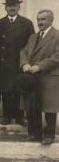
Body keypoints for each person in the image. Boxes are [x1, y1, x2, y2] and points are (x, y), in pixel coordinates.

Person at [20, 10, 59, 145]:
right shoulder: (33, 37)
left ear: (51, 20)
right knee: (32, 105)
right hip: (32, 77)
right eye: (38, 19)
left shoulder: (57, 35)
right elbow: (23, 51)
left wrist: (39, 66)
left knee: (49, 108)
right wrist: (25, 63)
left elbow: (57, 57)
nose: (40, 22)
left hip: (48, 77)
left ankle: (49, 135)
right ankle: (34, 134)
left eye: (43, 19)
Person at [0, 0, 34, 125]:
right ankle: (6, 116)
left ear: (19, 7)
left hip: (20, 61)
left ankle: (19, 116)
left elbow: (31, 44)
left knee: (18, 89)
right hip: (4, 62)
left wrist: (27, 61)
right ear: (5, 8)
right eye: (9, 6)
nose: (12, 8)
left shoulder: (27, 24)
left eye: (14, 5)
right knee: (5, 89)